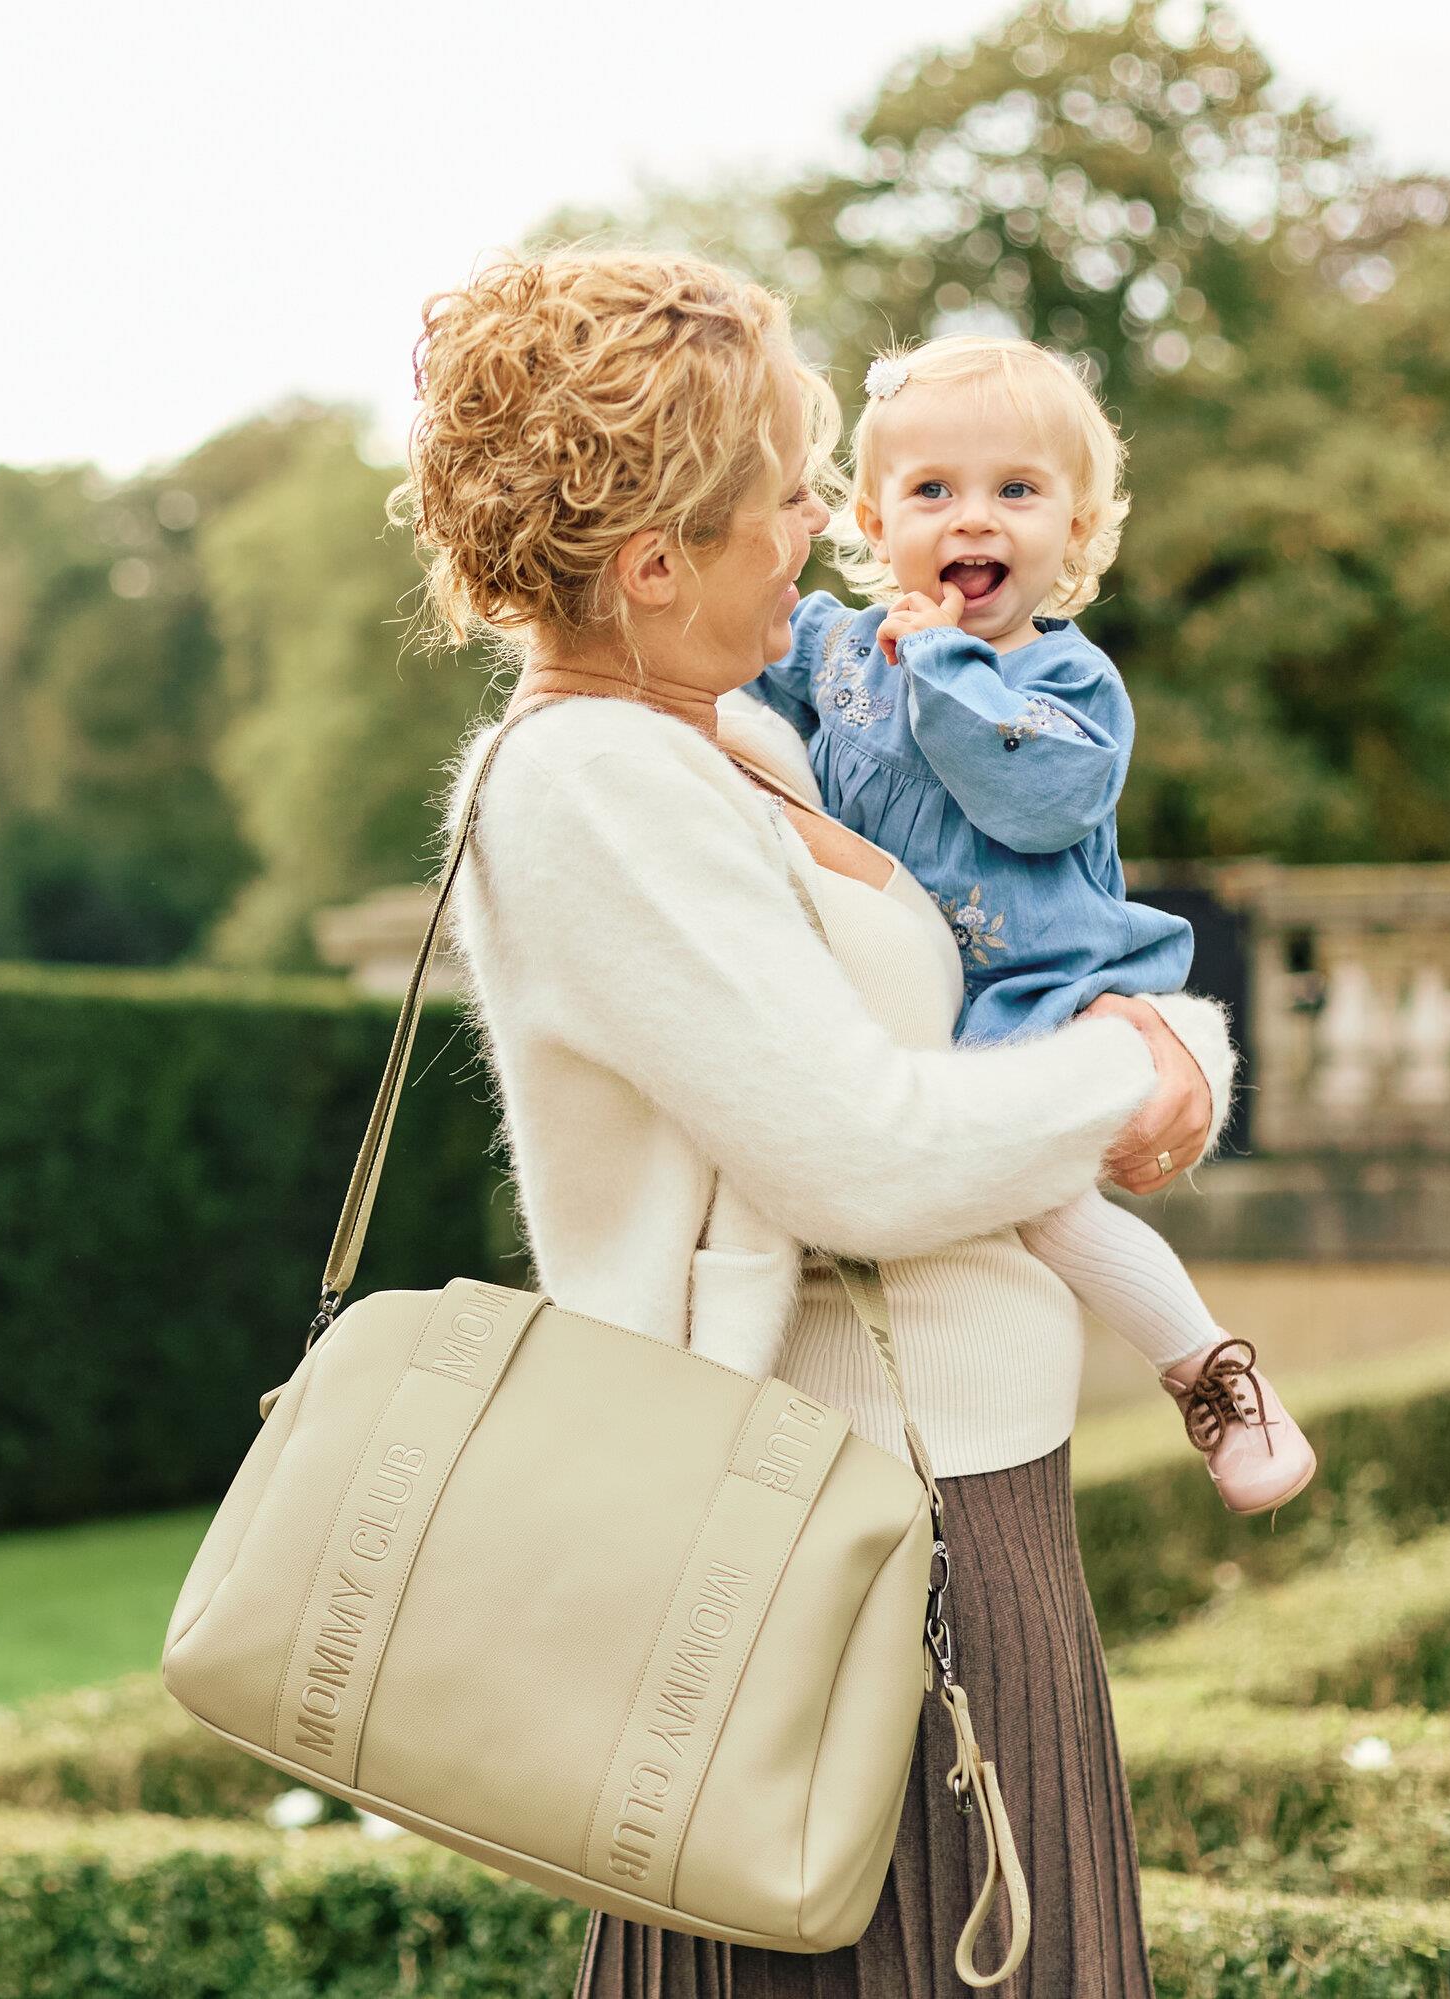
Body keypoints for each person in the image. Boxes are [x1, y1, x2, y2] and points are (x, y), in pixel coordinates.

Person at [397, 244, 1238, 1997]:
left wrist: (1143, 1028)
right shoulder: (591, 782)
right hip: (825, 1537)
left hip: (940, 1508)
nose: (819, 523)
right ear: (652, 561)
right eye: (786, 491)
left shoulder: (727, 743)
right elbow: (855, 1151)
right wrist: (1151, 1060)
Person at [742, 334, 1315, 1515]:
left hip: (1045, 983)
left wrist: (945, 660)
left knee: (1049, 1205)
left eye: (1017, 491)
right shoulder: (840, 649)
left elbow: (1034, 794)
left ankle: (1209, 1369)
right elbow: (726, 665)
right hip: (912, 995)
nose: (975, 522)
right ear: (870, 515)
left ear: (1078, 526)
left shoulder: (1066, 684)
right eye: (933, 491)